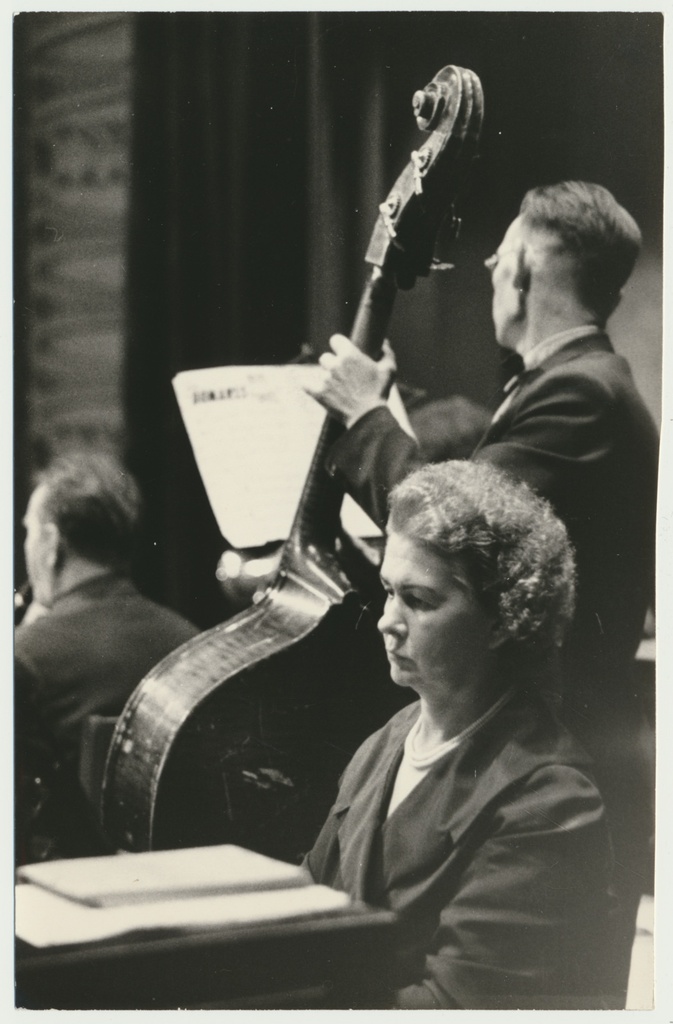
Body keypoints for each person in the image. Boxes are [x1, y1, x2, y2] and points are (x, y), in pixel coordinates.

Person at [305, 181, 658, 973]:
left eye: (502, 250)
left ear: (525, 272)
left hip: (544, 768)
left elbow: (464, 526)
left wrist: (366, 419)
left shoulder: (578, 392)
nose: (491, 262)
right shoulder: (569, 385)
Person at [305, 459, 620, 1009]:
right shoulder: (387, 741)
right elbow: (303, 913)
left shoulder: (547, 800)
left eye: (419, 601)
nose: (386, 620)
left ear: (503, 620)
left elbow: (458, 1005)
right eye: (387, 591)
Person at [15, 452, 200, 863]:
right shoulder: (193, 643)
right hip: (181, 883)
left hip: (61, 893)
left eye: (28, 532)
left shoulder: (24, 656)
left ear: (50, 543)